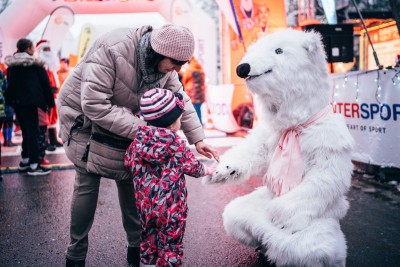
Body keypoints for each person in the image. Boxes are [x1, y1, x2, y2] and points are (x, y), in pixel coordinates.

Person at [57, 24, 219, 267]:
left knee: (131, 180)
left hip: (125, 120)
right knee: (87, 182)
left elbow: (180, 98)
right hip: (84, 121)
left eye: (181, 64)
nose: (177, 70)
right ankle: (76, 256)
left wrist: (198, 138)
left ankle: (137, 252)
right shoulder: (111, 48)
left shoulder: (166, 64)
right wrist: (146, 131)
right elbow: (93, 104)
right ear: (157, 52)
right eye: (175, 63)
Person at [125, 88, 216, 267]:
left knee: (148, 241)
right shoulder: (176, 145)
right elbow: (193, 168)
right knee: (171, 246)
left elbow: (128, 162)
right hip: (172, 209)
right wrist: (208, 170)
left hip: (145, 206)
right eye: (179, 118)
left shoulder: (137, 143)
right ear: (172, 122)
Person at [4, 38, 54, 176]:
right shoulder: (36, 65)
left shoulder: (12, 66)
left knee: (26, 132)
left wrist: (11, 102)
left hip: (17, 104)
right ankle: (34, 166)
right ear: (28, 49)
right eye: (32, 47)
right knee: (33, 133)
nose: (34, 50)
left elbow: (11, 86)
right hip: (33, 103)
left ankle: (24, 162)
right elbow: (46, 86)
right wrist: (51, 103)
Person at [36, 40, 63, 150]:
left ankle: (53, 139)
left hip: (54, 95)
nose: (48, 52)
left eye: (49, 49)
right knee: (46, 119)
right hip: (45, 96)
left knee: (54, 118)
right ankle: (47, 141)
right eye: (45, 49)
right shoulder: (42, 67)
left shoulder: (53, 68)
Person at [181, 57, 206, 125]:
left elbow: (185, 79)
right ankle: (200, 123)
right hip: (200, 93)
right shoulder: (200, 69)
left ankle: (197, 124)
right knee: (198, 109)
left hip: (193, 93)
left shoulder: (190, 69)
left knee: (193, 110)